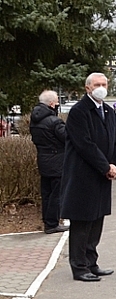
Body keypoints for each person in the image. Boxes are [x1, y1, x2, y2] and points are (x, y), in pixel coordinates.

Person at [58, 73, 116, 282]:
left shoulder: (109, 110)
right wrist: (105, 166)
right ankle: (79, 267)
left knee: (96, 221)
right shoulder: (79, 112)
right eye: (97, 85)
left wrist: (113, 165)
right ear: (87, 88)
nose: (101, 87)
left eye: (104, 84)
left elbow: (113, 141)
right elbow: (84, 144)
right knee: (82, 222)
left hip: (102, 175)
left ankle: (92, 263)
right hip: (83, 175)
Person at [30, 90, 69, 234]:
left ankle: (48, 222)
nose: (58, 104)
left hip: (43, 159)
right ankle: (52, 224)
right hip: (57, 161)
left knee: (46, 193)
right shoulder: (54, 121)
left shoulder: (34, 120)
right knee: (56, 194)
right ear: (52, 104)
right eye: (57, 101)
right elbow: (66, 137)